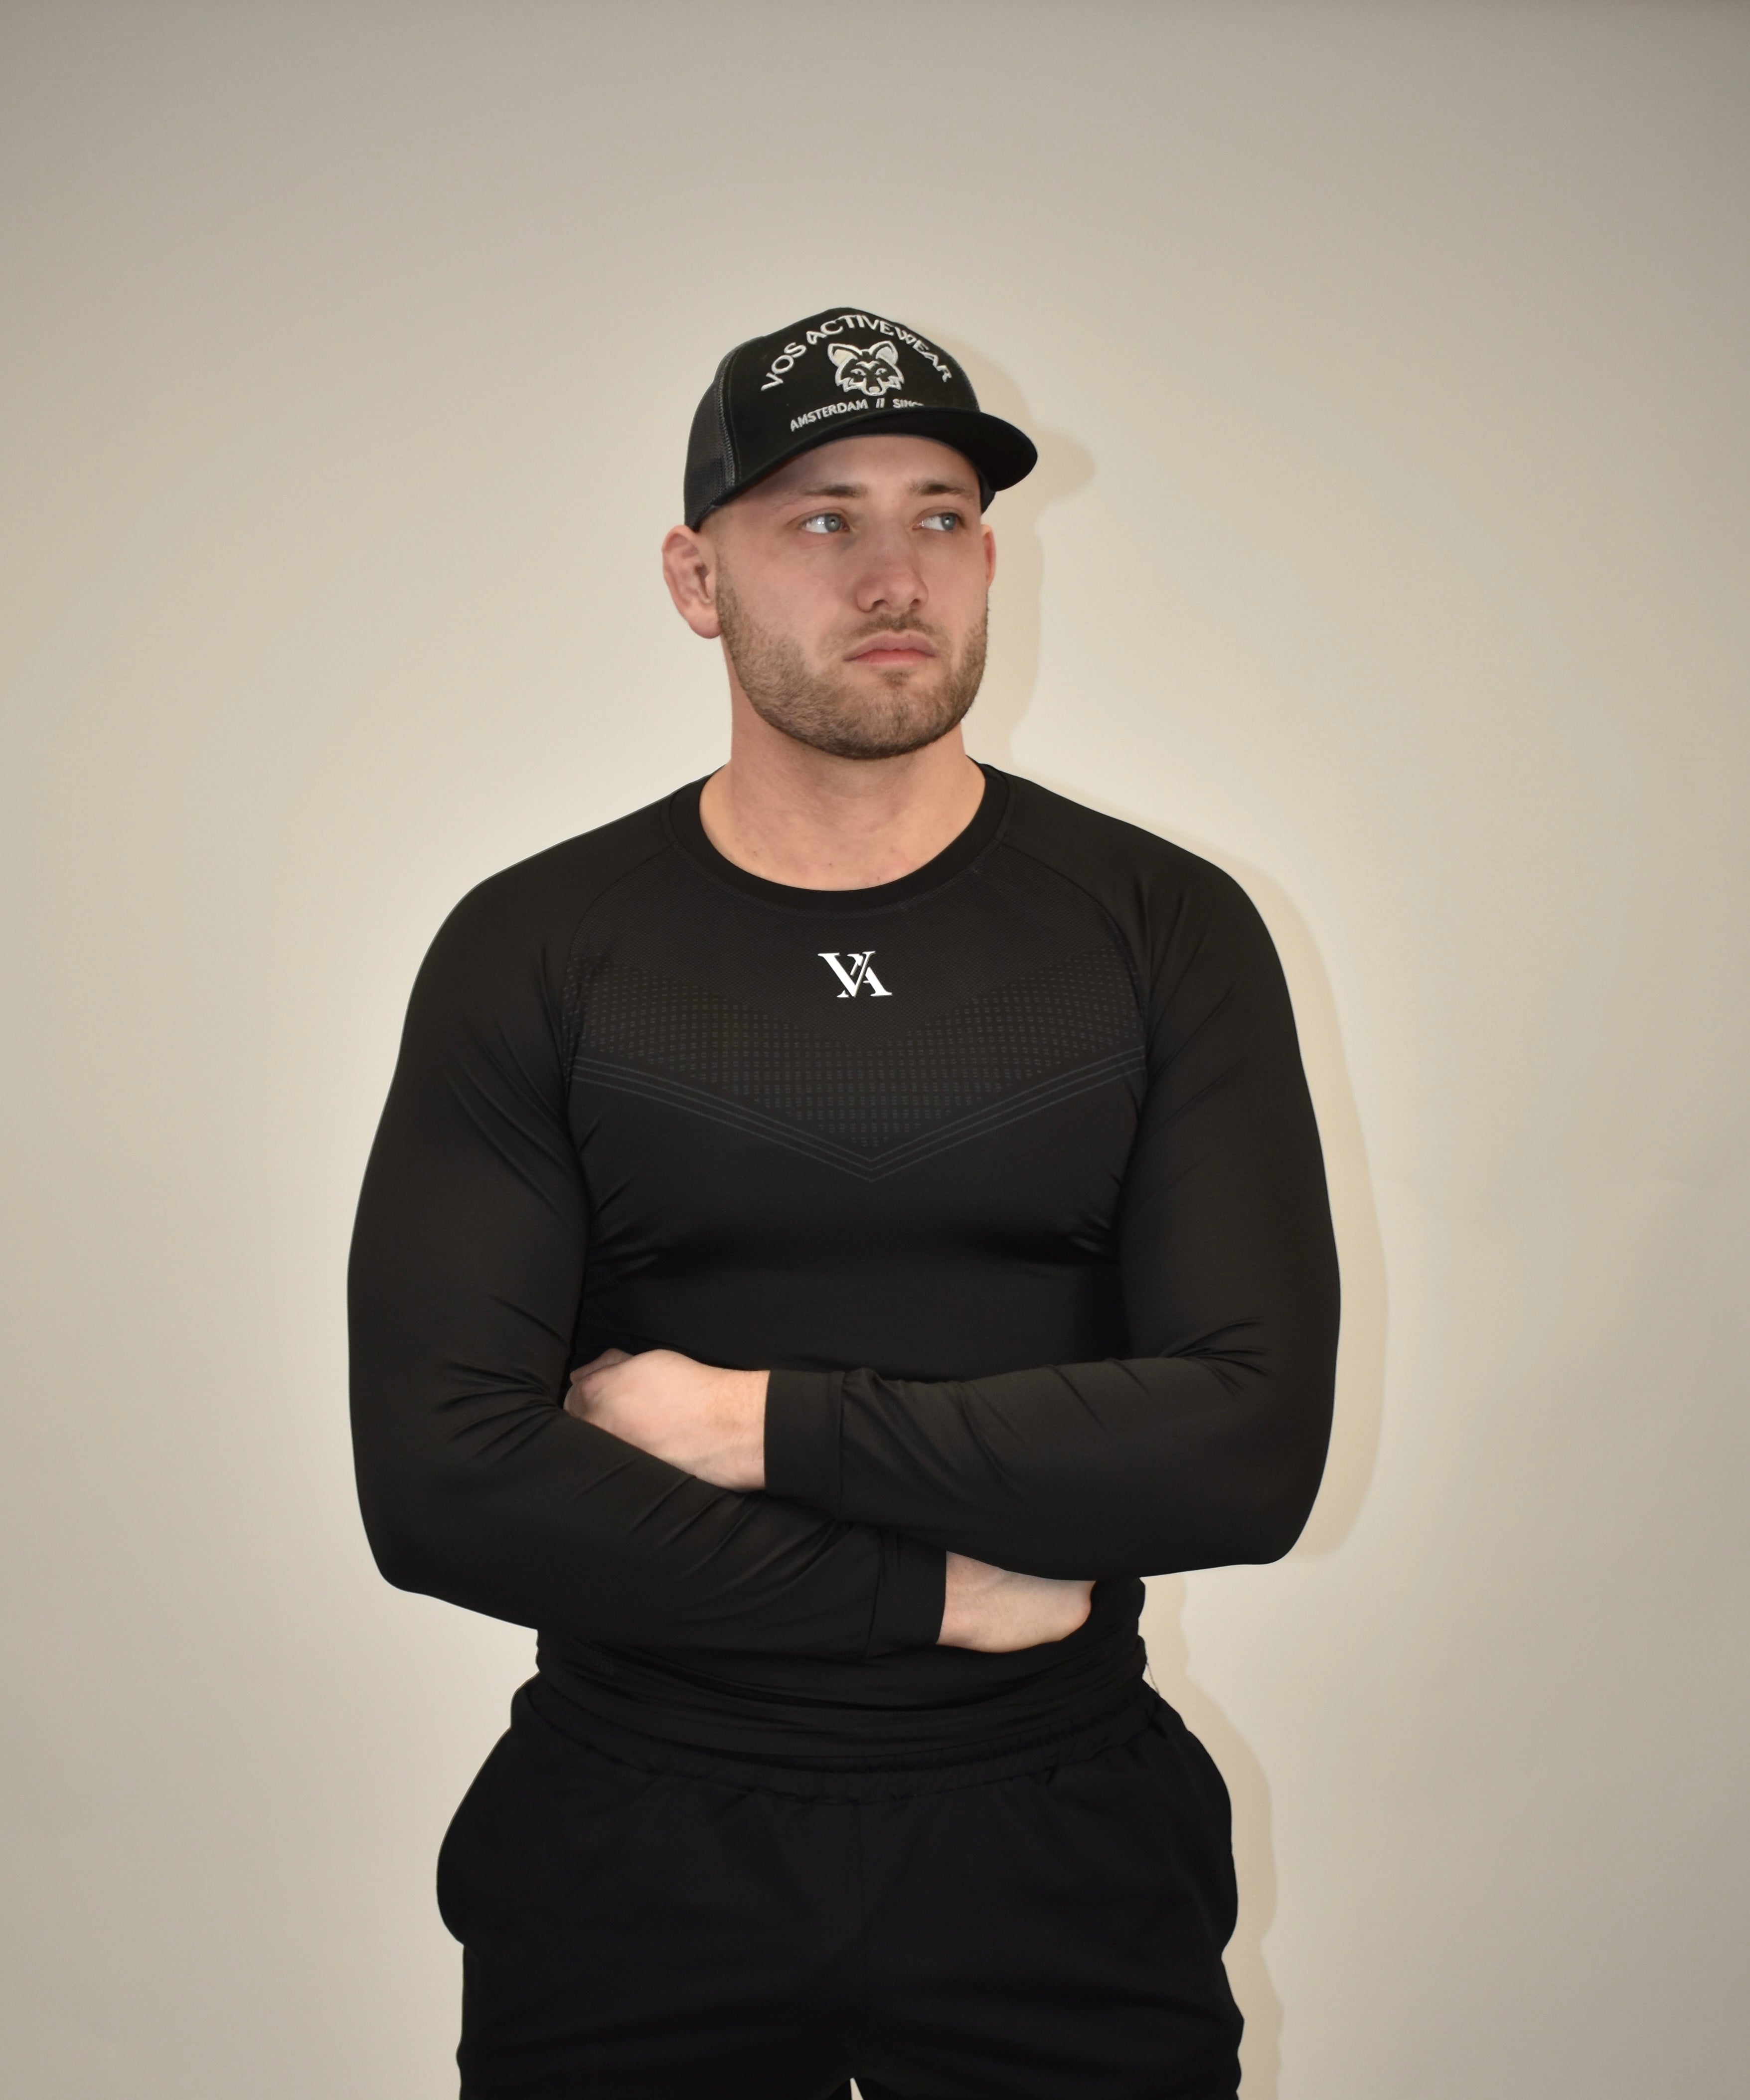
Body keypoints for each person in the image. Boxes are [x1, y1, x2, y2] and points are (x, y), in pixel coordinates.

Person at [348, 305, 1340, 2100]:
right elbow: (440, 1483)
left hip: (1057, 1842)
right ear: (696, 577)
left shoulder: (1162, 929)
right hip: (637, 1843)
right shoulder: (540, 946)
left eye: (942, 516)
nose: (897, 575)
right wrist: (914, 1593)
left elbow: (1250, 1449)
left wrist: (757, 1424)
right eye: (822, 518)